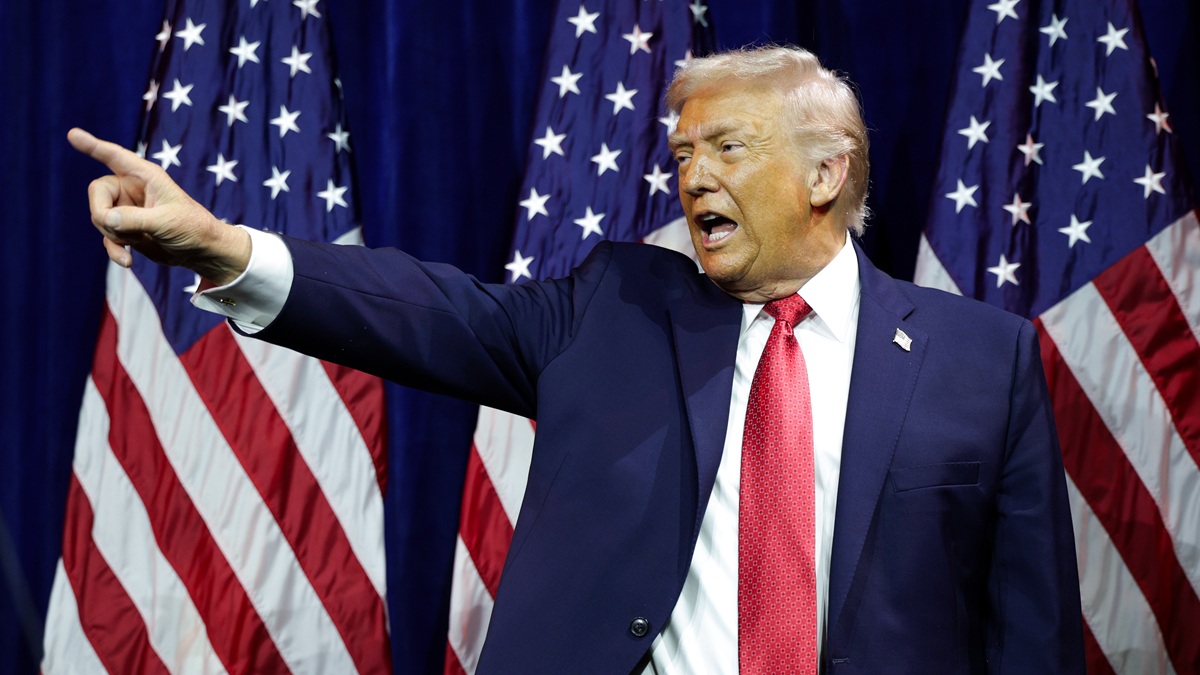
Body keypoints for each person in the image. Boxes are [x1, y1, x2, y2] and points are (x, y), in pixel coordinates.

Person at [69, 45, 1084, 674]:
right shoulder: (615, 310)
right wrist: (221, 247)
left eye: (727, 148)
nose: (693, 177)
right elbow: (426, 312)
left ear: (826, 172)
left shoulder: (981, 360)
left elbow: (1032, 632)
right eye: (682, 154)